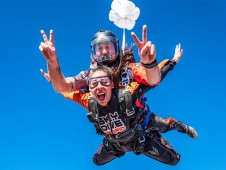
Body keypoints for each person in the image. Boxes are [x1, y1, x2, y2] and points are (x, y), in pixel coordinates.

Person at [61, 65, 197, 166]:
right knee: (96, 161)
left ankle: (181, 128)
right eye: (94, 84)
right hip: (116, 144)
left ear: (112, 85)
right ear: (90, 89)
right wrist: (55, 80)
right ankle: (118, 143)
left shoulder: (126, 95)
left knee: (173, 156)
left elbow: (152, 81)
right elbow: (66, 91)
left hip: (141, 134)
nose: (99, 87)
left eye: (104, 82)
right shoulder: (90, 102)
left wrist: (170, 62)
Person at [39, 25, 167, 93]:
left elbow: (154, 80)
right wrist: (52, 63)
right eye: (99, 48)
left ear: (117, 48)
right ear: (93, 52)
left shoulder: (128, 68)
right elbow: (62, 87)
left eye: (108, 47)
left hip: (141, 131)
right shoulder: (88, 76)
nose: (104, 51)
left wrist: (149, 63)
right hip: (113, 140)